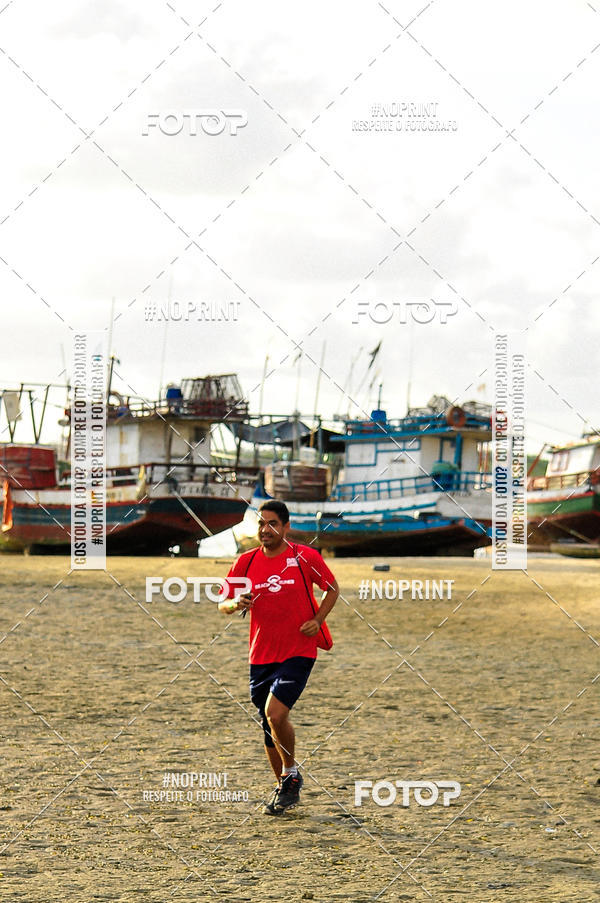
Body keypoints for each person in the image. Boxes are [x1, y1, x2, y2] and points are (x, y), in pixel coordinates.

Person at [218, 500, 339, 815]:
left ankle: (290, 774)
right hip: (260, 654)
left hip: (299, 648)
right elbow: (222, 604)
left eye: (272, 524)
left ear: (286, 526)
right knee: (267, 723)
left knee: (275, 713)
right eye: (260, 524)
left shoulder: (304, 557)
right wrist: (235, 603)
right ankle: (285, 787)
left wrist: (318, 620)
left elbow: (332, 588)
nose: (265, 530)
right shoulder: (245, 562)